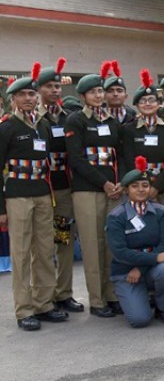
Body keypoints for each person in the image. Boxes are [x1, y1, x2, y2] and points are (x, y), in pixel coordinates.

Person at [1, 65, 69, 331]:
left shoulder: (41, 125)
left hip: (43, 195)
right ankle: (24, 309)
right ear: (13, 99)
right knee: (20, 253)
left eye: (32, 94)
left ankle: (44, 304)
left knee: (44, 250)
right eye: (23, 95)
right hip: (18, 197)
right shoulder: (7, 128)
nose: (29, 98)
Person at [65, 61, 124, 318]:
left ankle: (112, 296)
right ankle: (97, 300)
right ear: (82, 96)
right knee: (92, 246)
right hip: (87, 190)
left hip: (114, 190)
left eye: (101, 91)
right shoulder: (75, 120)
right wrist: (104, 182)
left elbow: (119, 154)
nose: (99, 96)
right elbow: (76, 159)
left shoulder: (112, 121)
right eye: (93, 92)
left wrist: (118, 182)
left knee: (111, 244)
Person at [106, 157, 164, 327]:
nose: (140, 190)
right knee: (140, 320)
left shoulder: (161, 212)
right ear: (126, 190)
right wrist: (153, 259)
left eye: (145, 185)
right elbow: (120, 252)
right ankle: (138, 297)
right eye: (135, 186)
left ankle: (162, 307)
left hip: (151, 270)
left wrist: (141, 267)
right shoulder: (116, 216)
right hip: (126, 273)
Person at [36, 58, 83, 313]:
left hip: (63, 189)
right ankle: (42, 297)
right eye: (49, 86)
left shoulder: (69, 118)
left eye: (57, 86)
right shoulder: (34, 118)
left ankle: (63, 293)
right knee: (42, 244)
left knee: (63, 240)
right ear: (39, 89)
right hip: (41, 189)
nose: (54, 90)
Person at [122, 70, 164, 213]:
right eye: (143, 101)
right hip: (139, 185)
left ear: (159, 103)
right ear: (136, 104)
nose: (147, 104)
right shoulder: (129, 129)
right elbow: (129, 159)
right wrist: (144, 186)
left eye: (151, 100)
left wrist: (156, 187)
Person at [104, 60, 137, 125]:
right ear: (104, 96)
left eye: (119, 91)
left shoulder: (133, 116)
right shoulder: (97, 115)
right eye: (110, 91)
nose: (115, 94)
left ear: (126, 96)